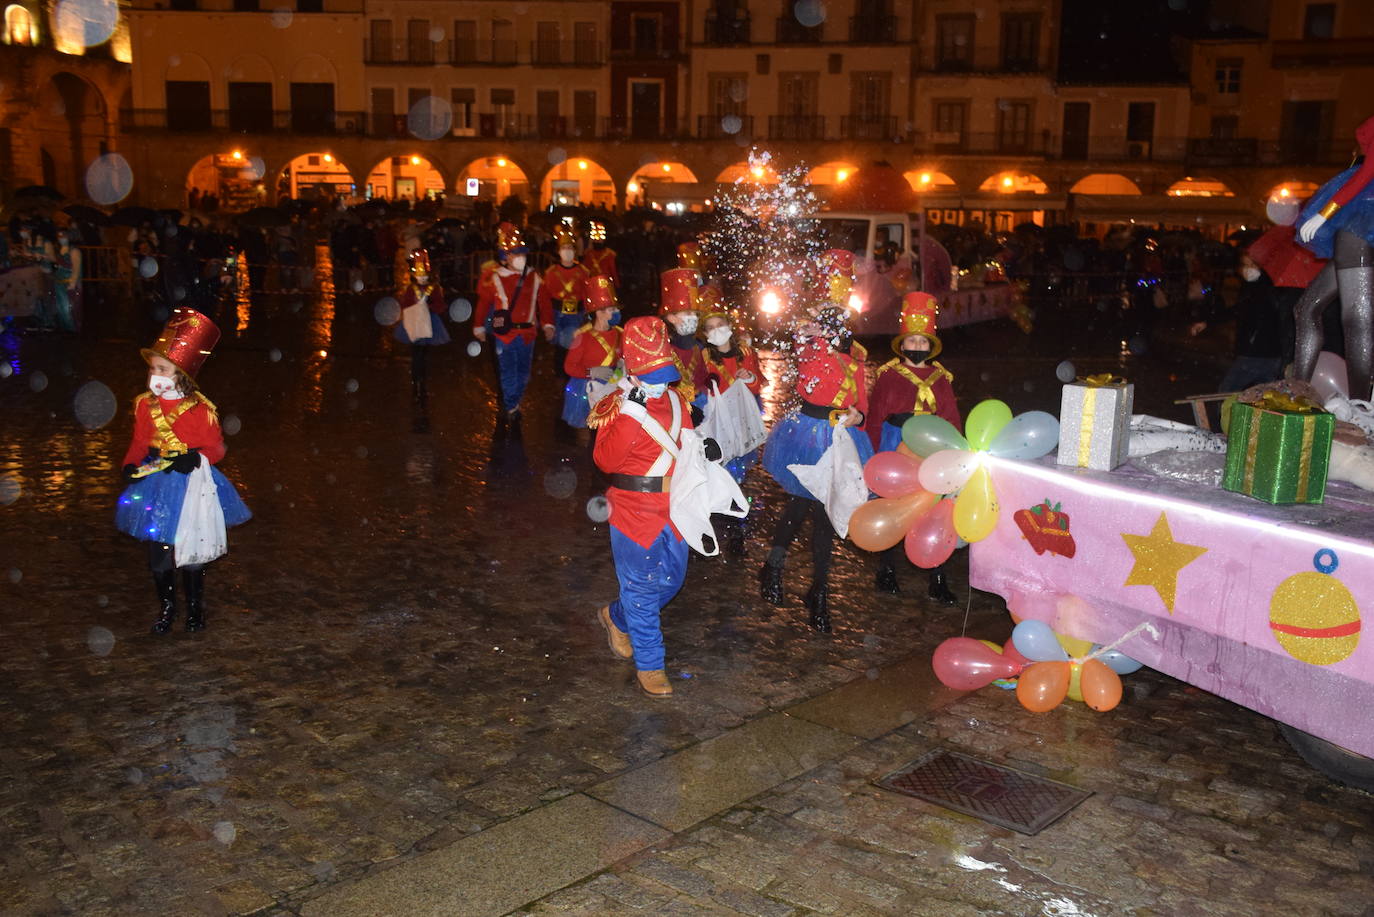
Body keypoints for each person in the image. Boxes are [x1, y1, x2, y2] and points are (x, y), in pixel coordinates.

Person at [115, 308, 251, 634]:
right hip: (157, 485)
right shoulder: (144, 405)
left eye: (163, 369)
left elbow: (216, 448)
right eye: (153, 369)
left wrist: (197, 457)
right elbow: (139, 441)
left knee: (192, 550)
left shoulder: (201, 409)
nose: (155, 376)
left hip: (192, 486)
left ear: (181, 374)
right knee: (159, 552)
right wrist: (130, 464)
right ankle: (166, 609)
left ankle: (194, 610)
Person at [590, 316, 695, 697]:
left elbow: (687, 446)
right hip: (632, 509)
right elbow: (607, 461)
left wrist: (703, 450)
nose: (659, 383)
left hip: (675, 506)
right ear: (632, 372)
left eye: (662, 374)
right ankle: (650, 664)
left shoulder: (678, 399)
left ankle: (616, 616)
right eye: (650, 375)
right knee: (642, 588)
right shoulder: (614, 405)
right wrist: (632, 414)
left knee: (673, 580)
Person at [760, 304, 872, 633]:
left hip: (841, 437)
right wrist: (813, 334)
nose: (836, 332)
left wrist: (859, 417)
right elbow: (811, 381)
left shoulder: (857, 359)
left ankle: (818, 590)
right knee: (799, 506)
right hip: (808, 435)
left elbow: (862, 403)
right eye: (830, 326)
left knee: (825, 513)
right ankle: (775, 567)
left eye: (841, 327)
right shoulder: (811, 349)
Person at [865, 292, 961, 605]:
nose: (917, 348)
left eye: (923, 343)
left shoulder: (941, 379)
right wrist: (874, 453)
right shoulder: (888, 376)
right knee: (895, 506)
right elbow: (876, 416)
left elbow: (950, 417)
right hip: (895, 444)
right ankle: (887, 570)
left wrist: (955, 455)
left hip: (930, 449)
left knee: (934, 508)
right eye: (912, 341)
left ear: (930, 346)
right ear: (902, 343)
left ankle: (937, 577)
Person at [1295, 113, 1374, 405]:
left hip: (1362, 215)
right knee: (1306, 308)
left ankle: (1361, 406)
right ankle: (1298, 389)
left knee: (1356, 317)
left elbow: (1368, 171)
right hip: (1361, 218)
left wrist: (1325, 212)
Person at [700, 287, 763, 557]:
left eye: (720, 325)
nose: (717, 330)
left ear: (729, 326)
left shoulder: (746, 352)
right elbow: (698, 386)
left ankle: (737, 529)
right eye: (710, 328)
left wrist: (749, 377)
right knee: (716, 471)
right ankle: (711, 524)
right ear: (705, 334)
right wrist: (708, 386)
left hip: (743, 417)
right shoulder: (704, 357)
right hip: (717, 420)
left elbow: (758, 384)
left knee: (740, 475)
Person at [473, 222, 552, 420]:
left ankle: (513, 402)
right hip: (505, 334)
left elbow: (544, 303)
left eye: (522, 253)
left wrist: (548, 324)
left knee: (524, 372)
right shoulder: (494, 277)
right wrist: (478, 326)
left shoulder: (534, 276)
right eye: (515, 253)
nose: (520, 257)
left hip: (528, 334)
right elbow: (483, 303)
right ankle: (511, 406)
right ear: (505, 257)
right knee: (509, 371)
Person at [1188, 251, 1284, 394]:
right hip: (1264, 353)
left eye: (1253, 264)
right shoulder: (1251, 286)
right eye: (1245, 264)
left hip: (1257, 353)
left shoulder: (1269, 288)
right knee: (1263, 396)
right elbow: (1237, 310)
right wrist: (1207, 322)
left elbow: (1260, 314)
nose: (1248, 269)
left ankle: (1226, 416)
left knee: (1228, 392)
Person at [562, 275, 621, 429]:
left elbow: (622, 359)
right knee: (594, 431)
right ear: (599, 312)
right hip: (588, 392)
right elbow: (569, 366)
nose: (616, 313)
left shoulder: (620, 334)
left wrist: (621, 369)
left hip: (613, 389)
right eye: (612, 309)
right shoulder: (583, 337)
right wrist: (591, 372)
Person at [393, 248, 450, 405]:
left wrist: (432, 305)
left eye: (424, 276)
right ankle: (416, 383)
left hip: (429, 324)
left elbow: (441, 306)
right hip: (414, 324)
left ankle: (422, 384)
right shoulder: (412, 289)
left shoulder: (434, 289)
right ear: (414, 276)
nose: (422, 278)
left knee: (423, 356)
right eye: (419, 276)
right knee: (416, 355)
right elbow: (404, 304)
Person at [541, 224, 590, 376]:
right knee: (560, 348)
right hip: (558, 314)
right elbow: (544, 299)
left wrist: (589, 317)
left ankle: (573, 373)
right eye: (564, 247)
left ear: (575, 251)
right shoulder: (551, 273)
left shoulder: (583, 272)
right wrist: (547, 323)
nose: (567, 251)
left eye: (570, 247)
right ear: (559, 251)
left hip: (576, 315)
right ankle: (560, 376)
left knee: (575, 345)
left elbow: (587, 296)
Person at [660, 267, 708, 408]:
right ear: (671, 318)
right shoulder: (662, 349)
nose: (693, 318)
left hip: (699, 405)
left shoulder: (699, 348)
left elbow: (703, 377)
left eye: (695, 314)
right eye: (687, 313)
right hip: (672, 408)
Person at [582, 220, 619, 288]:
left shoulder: (609, 254)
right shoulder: (589, 253)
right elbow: (585, 270)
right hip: (594, 284)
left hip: (602, 284)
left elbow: (613, 270)